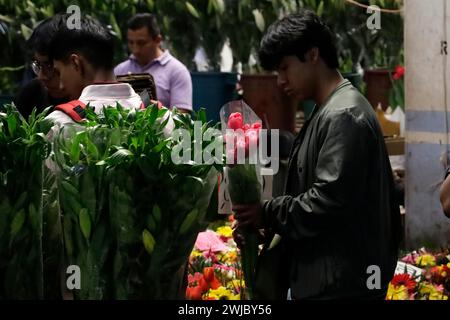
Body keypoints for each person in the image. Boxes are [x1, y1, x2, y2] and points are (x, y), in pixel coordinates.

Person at [233, 10, 402, 300]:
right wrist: (270, 228)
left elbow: (328, 202)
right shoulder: (327, 111)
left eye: (285, 67)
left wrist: (268, 212)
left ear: (313, 55)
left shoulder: (344, 115)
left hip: (340, 286)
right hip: (325, 278)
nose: (280, 81)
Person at [45, 14, 145, 128]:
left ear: (75, 63)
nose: (61, 86)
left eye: (59, 72)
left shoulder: (58, 124)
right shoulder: (160, 117)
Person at [114, 13, 192, 112]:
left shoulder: (177, 71)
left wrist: (160, 113)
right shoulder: (120, 70)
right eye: (131, 42)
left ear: (158, 40)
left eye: (141, 43)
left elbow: (182, 117)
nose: (135, 49)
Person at [14, 16, 69, 118]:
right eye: (38, 65)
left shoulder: (95, 102)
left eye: (49, 66)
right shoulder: (32, 93)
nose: (41, 76)